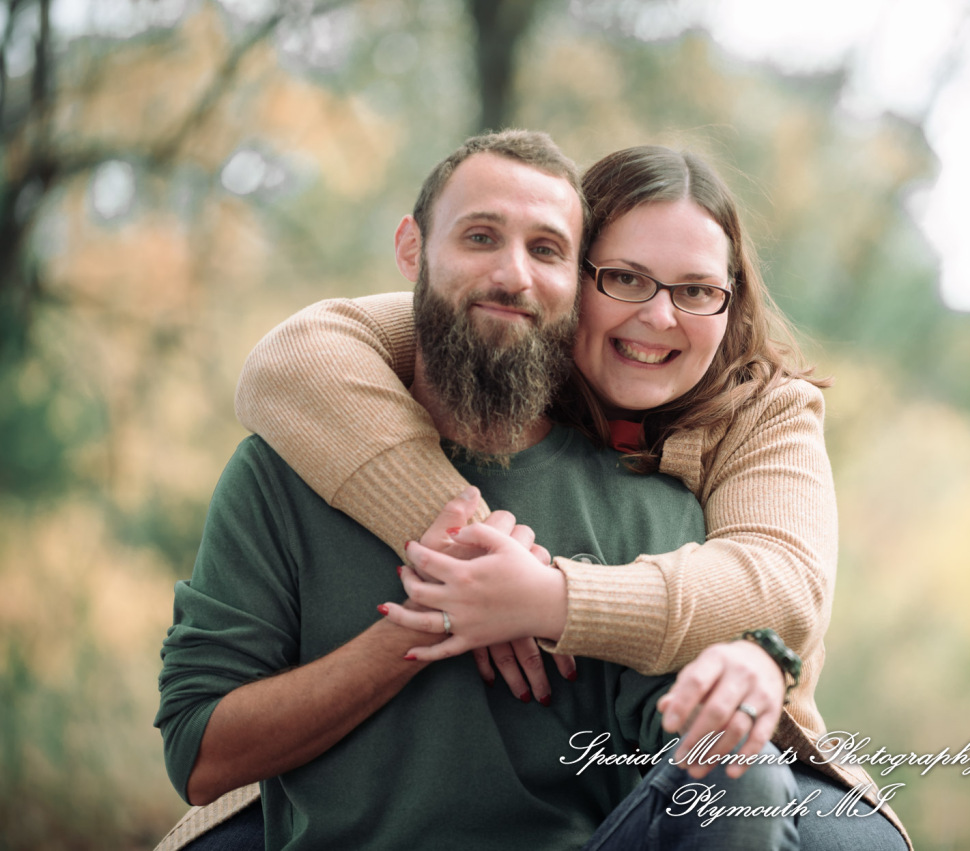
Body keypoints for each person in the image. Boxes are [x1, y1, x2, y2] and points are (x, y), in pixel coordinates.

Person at [227, 142, 912, 849]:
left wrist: (546, 598)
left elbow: (783, 591)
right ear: (574, 276)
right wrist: (470, 552)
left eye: (697, 290)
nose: (660, 317)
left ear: (731, 300)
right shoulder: (509, 344)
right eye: (624, 278)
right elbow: (292, 360)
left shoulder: (765, 410)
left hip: (723, 737)